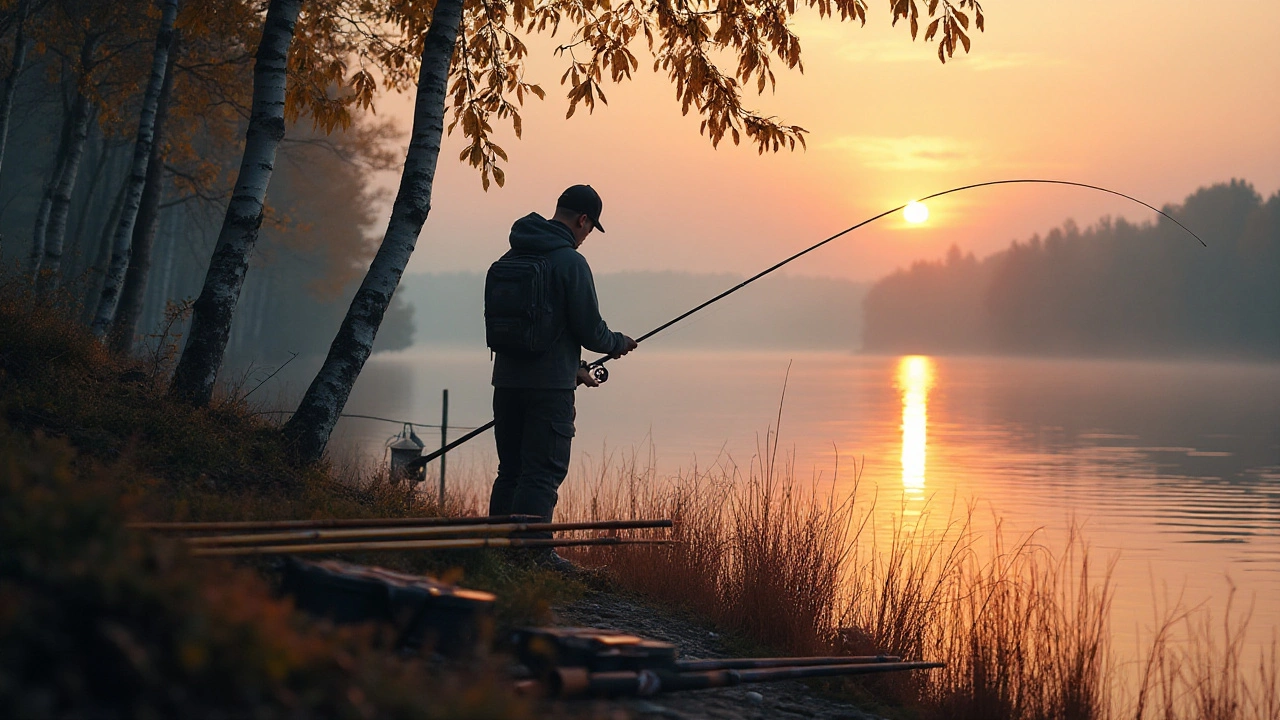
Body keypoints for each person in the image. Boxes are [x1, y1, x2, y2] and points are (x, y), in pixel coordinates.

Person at [488, 184, 637, 570]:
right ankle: (533, 556)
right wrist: (617, 342)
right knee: (542, 472)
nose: (586, 238)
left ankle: (497, 550)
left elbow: (539, 328)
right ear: (583, 220)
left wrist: (575, 369)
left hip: (506, 382)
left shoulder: (513, 252)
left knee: (512, 470)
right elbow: (591, 331)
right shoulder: (570, 262)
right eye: (589, 229)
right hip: (548, 392)